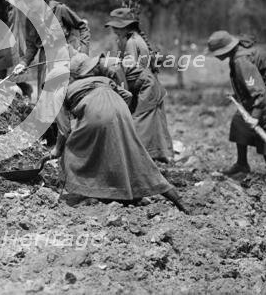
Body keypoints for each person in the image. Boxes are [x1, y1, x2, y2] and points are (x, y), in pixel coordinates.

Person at [50, 53, 189, 212]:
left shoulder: (58, 93)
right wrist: (115, 114)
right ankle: (173, 196)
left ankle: (86, 193)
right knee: (135, 158)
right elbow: (127, 95)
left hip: (97, 113)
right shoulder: (100, 79)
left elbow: (64, 130)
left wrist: (57, 150)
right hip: (121, 110)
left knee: (72, 150)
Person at [12, 0, 90, 145]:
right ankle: (50, 139)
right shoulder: (31, 19)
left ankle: (71, 139)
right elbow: (32, 46)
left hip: (65, 58)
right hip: (45, 61)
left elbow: (82, 26)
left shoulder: (59, 10)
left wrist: (83, 54)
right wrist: (24, 63)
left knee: (64, 98)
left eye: (30, 0)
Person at [207, 30, 266, 178]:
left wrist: (255, 115)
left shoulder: (241, 60)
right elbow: (247, 83)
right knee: (239, 121)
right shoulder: (237, 54)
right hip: (264, 89)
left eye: (216, 52)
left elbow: (258, 90)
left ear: (225, 50)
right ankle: (242, 164)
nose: (216, 55)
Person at [95, 53, 174, 163]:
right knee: (148, 122)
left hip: (147, 86)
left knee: (139, 121)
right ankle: (153, 154)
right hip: (143, 85)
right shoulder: (106, 64)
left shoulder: (112, 67)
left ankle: (137, 157)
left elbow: (124, 92)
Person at [104, 7, 158, 72]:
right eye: (113, 28)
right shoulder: (135, 38)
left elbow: (129, 67)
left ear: (127, 27)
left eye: (117, 28)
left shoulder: (132, 42)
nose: (114, 31)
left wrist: (110, 62)